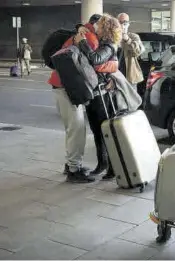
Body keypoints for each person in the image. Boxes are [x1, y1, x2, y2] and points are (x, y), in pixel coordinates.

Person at [48, 14, 117, 183]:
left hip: (63, 86)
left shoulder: (81, 34)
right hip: (68, 89)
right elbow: (95, 64)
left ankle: (72, 165)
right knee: (77, 130)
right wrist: (112, 69)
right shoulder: (89, 39)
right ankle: (74, 170)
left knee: (73, 129)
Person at [75, 14, 121, 180]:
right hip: (94, 94)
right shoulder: (101, 42)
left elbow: (95, 59)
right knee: (96, 131)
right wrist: (80, 28)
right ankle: (102, 164)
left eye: (99, 26)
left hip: (103, 97)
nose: (96, 28)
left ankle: (113, 167)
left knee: (105, 132)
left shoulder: (109, 45)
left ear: (106, 28)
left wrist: (82, 43)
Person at [117, 13, 145, 90]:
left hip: (130, 76)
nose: (123, 25)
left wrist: (127, 40)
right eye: (120, 22)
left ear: (129, 24)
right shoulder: (113, 37)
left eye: (125, 22)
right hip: (115, 76)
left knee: (132, 100)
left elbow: (139, 51)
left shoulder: (133, 36)